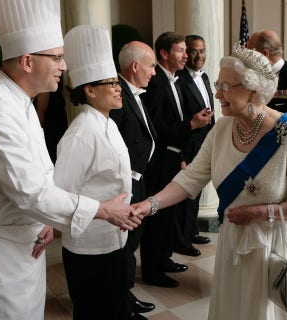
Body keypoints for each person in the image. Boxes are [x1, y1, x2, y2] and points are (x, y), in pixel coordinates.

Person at [0, 1, 138, 319]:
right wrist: (103, 209)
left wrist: (46, 221)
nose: (63, 66)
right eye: (56, 57)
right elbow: (31, 193)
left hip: (25, 244)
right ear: (27, 61)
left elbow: (39, 177)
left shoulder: (19, 101)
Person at [133, 43, 287, 320]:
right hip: (234, 240)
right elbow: (190, 178)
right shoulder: (221, 129)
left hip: (275, 245)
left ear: (253, 91)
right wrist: (149, 205)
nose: (217, 93)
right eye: (218, 84)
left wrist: (259, 212)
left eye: (226, 86)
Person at [53, 25, 132, 320]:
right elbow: (61, 192)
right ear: (89, 90)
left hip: (115, 238)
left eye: (116, 82)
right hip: (90, 246)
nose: (117, 87)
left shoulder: (108, 122)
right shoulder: (80, 134)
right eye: (110, 83)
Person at [139, 31, 213, 288]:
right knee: (157, 217)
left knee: (168, 216)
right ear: (164, 54)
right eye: (181, 51)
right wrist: (191, 124)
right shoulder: (156, 82)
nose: (186, 56)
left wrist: (181, 155)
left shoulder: (173, 79)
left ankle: (164, 259)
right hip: (158, 161)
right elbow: (156, 129)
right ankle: (153, 269)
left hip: (173, 156)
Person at [109, 41, 158, 318]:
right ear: (135, 66)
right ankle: (121, 302)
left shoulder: (134, 93)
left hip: (139, 179)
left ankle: (124, 295)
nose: (153, 72)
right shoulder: (117, 95)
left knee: (131, 243)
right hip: (124, 183)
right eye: (151, 66)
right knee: (124, 245)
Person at [174, 34, 215, 256]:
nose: (199, 56)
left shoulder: (205, 77)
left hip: (205, 141)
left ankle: (191, 232)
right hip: (188, 143)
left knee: (197, 191)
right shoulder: (179, 79)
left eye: (202, 51)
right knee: (185, 193)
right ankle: (181, 240)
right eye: (193, 51)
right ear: (186, 53)